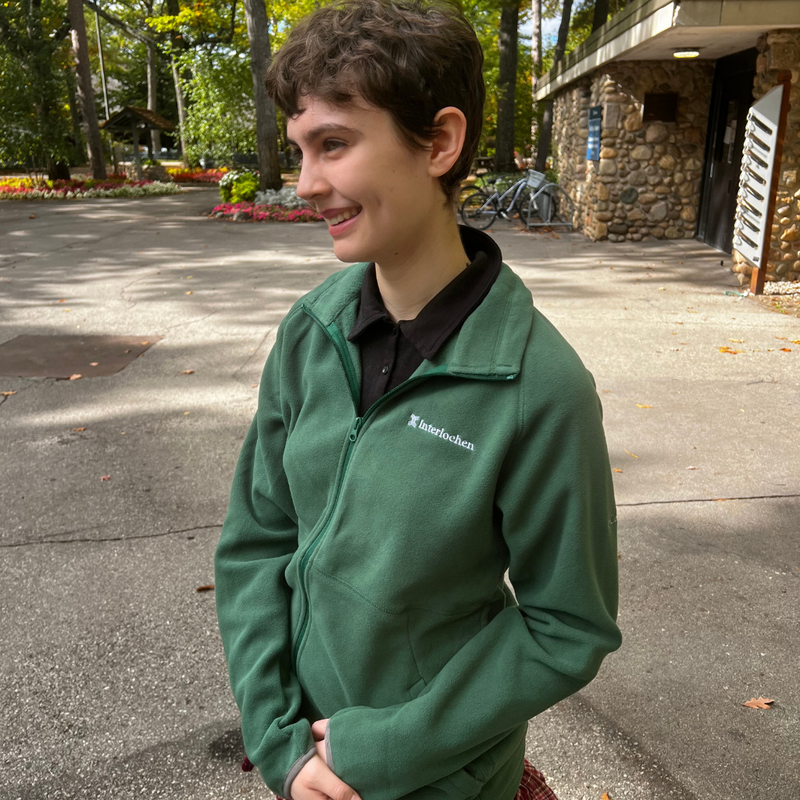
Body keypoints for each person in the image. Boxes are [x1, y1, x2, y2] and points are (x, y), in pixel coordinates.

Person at [213, 2, 622, 799]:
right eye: (300, 150)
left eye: (334, 144)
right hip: (304, 765)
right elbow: (255, 544)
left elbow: (567, 624)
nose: (305, 185)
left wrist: (386, 747)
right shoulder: (309, 333)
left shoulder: (542, 388)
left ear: (439, 142)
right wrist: (280, 744)